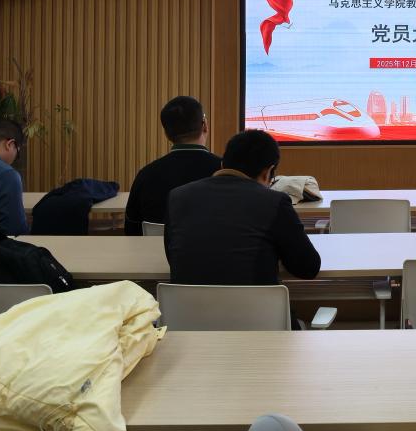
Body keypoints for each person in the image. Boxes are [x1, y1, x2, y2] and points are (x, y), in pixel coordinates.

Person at [164, 129, 320, 288]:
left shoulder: (177, 197)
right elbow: (308, 268)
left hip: (187, 304)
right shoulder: (274, 202)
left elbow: (173, 258)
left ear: (222, 164)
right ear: (268, 172)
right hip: (255, 304)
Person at [124, 96, 221, 235]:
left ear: (166, 133)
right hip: (215, 248)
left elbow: (132, 229)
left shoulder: (146, 175)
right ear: (205, 125)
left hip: (157, 249)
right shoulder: (226, 170)